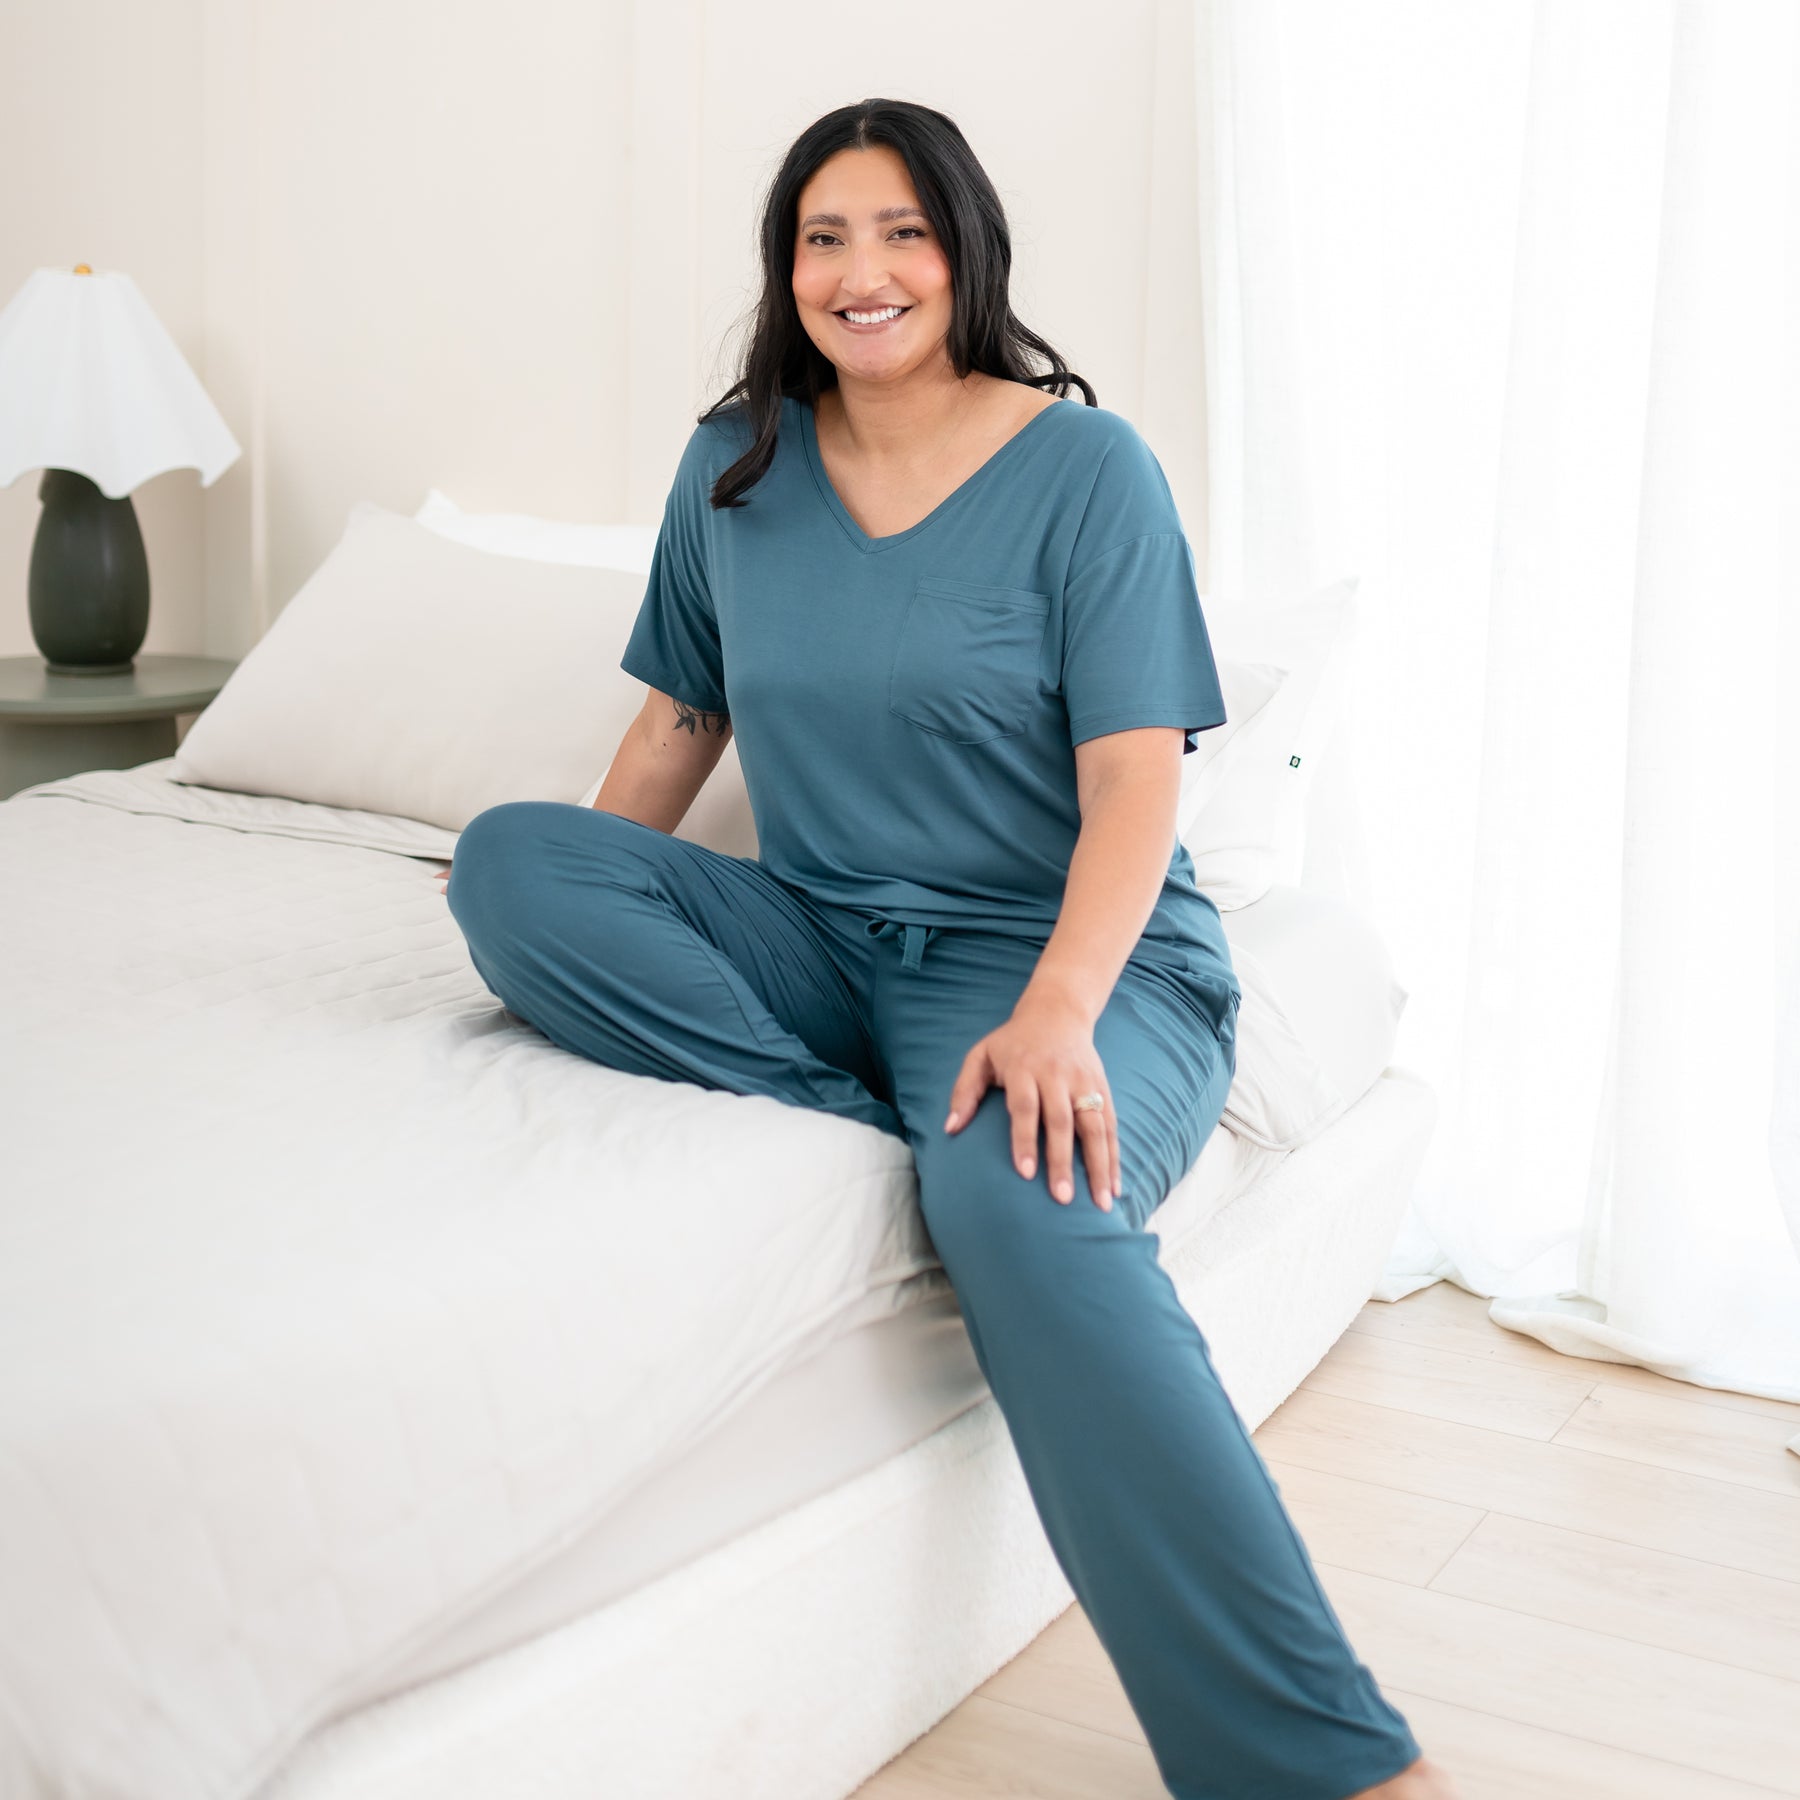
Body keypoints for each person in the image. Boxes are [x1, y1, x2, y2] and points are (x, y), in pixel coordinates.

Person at [438, 97, 1457, 1800]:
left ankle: (1325, 1768)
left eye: (902, 232)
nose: (865, 272)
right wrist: (600, 906)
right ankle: (887, 1107)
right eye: (824, 237)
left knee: (1023, 1203)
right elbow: (681, 722)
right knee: (513, 863)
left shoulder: (1087, 469)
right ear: (786, 268)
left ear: (965, 250)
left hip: (1066, 957)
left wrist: (1056, 1014)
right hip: (818, 939)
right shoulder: (735, 465)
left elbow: (1135, 783)